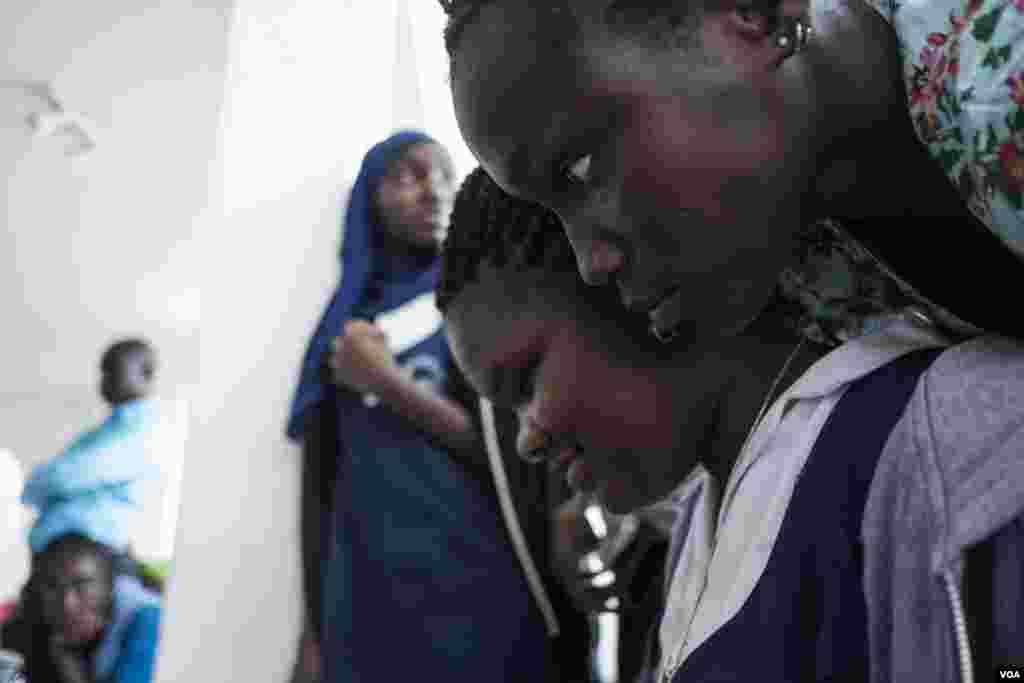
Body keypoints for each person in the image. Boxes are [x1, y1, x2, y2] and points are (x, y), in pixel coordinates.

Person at [437, 166, 1024, 681]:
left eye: (525, 382)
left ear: (615, 280)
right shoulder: (700, 518)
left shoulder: (938, 439)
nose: (526, 441)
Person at [439, 0, 1024, 343]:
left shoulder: (1000, 79)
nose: (593, 264)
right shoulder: (812, 268)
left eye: (582, 167)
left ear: (751, 11)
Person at [285, 131, 569, 682]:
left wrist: (389, 385)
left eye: (442, 174)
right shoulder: (341, 333)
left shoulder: (476, 306)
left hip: (475, 586)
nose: (435, 191)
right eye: (408, 176)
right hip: (366, 597)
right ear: (369, 198)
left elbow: (515, 454)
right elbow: (319, 492)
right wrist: (314, 632)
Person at [21, 338, 162, 567]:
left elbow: (64, 477)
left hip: (94, 561)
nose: (104, 381)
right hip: (65, 557)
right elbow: (47, 480)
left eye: (113, 371)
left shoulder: (146, 430)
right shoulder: (108, 430)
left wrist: (37, 481)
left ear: (145, 373)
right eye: (103, 372)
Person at [3, 533, 161, 683]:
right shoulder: (32, 625)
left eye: (82, 585)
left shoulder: (149, 622)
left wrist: (72, 671)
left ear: (109, 587)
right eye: (53, 587)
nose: (67, 603)